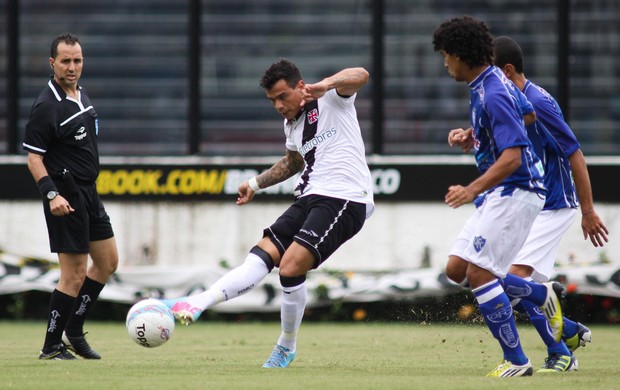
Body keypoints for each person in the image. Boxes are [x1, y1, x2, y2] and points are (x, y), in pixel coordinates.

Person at [162, 59, 374, 368]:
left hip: (345, 197)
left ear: (300, 87)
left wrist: (326, 84)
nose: (277, 105)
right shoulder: (292, 125)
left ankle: (286, 346)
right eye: (272, 100)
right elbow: (292, 163)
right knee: (261, 255)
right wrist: (254, 183)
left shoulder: (332, 98)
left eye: (282, 97)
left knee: (290, 267)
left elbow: (361, 75)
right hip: (310, 197)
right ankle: (198, 302)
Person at [433, 16, 565, 377]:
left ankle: (518, 362)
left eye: (447, 55)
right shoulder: (487, 84)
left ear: (461, 54)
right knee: (457, 269)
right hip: (504, 191)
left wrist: (470, 189)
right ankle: (540, 294)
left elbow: (513, 156)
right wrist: (475, 136)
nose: (445, 62)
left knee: (480, 274)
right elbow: (528, 113)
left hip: (517, 189)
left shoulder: (492, 91)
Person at [492, 35, 608, 371]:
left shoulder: (538, 103)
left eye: (492, 71)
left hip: (555, 204)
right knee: (526, 287)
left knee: (510, 279)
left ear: (508, 70)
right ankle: (563, 348)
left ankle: (565, 336)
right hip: (530, 206)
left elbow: (575, 154)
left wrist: (588, 211)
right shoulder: (512, 101)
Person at [23, 33, 119, 360]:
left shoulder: (81, 94)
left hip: (89, 193)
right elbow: (34, 158)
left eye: (77, 60)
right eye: (65, 61)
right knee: (74, 274)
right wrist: (52, 194)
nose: (72, 66)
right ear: (53, 63)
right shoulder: (46, 106)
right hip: (65, 196)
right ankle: (51, 345)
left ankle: (74, 329)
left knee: (107, 262)